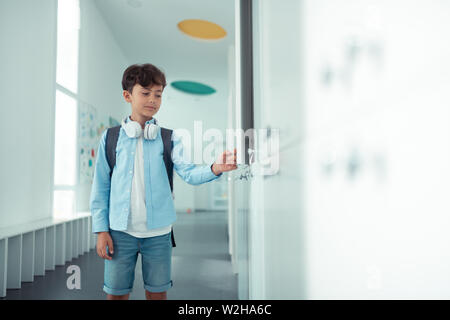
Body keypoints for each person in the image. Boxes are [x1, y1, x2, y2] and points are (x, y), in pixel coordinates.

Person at [90, 63, 237, 300]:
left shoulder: (169, 138)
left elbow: (188, 173)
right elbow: (101, 187)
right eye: (145, 93)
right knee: (116, 294)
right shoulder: (111, 137)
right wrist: (100, 230)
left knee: (157, 294)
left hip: (158, 233)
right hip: (119, 231)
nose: (153, 100)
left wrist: (214, 168)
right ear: (128, 95)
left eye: (158, 94)